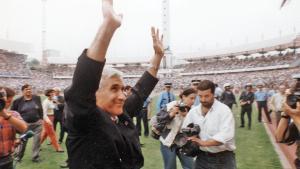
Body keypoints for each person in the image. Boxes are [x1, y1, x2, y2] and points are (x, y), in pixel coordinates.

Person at [64, 0, 164, 168]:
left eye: (123, 89)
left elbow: (140, 92)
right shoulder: (84, 118)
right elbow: (82, 87)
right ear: (94, 92)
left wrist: (158, 57)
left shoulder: (120, 114)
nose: (122, 95)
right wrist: (108, 27)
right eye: (114, 89)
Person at [183, 80, 236, 169]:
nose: (203, 99)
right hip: (201, 158)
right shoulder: (193, 112)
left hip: (223, 159)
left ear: (213, 94)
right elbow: (185, 129)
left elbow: (226, 135)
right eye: (200, 96)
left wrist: (203, 142)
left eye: (207, 96)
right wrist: (189, 137)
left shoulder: (224, 110)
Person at [152, 88, 197, 169]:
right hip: (168, 142)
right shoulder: (171, 105)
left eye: (194, 98)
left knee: (190, 166)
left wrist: (186, 116)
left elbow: (196, 128)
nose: (193, 101)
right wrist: (171, 114)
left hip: (184, 142)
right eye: (191, 98)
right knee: (170, 167)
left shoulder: (194, 110)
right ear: (183, 96)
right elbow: (157, 120)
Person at [11, 84, 43, 162]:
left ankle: (35, 157)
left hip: (37, 124)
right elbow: (13, 112)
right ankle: (19, 157)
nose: (29, 90)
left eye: (30, 89)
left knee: (37, 142)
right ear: (22, 91)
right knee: (22, 142)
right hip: (24, 125)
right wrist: (17, 123)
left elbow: (40, 109)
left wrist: (41, 119)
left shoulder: (37, 98)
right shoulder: (17, 101)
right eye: (26, 89)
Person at [0, 87, 27, 169]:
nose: (8, 104)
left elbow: (24, 128)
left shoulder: (13, 114)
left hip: (6, 158)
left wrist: (5, 115)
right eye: (8, 101)